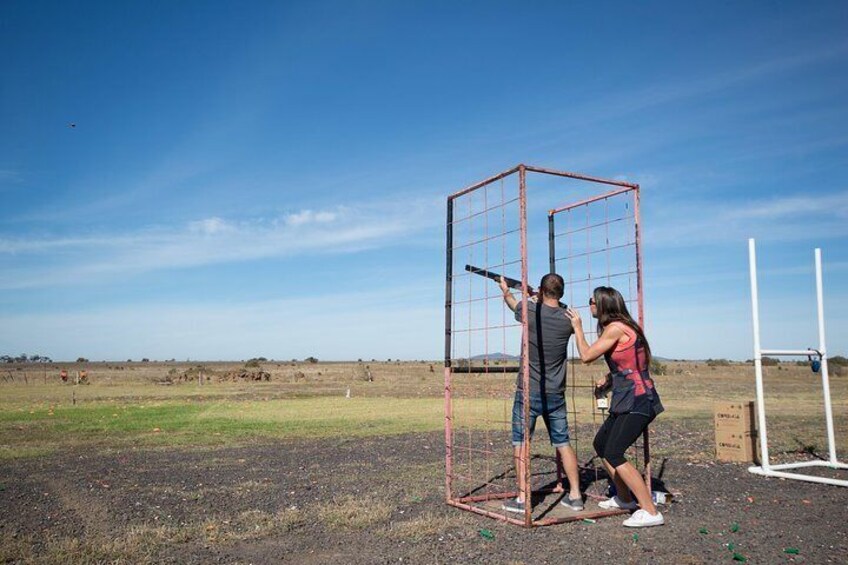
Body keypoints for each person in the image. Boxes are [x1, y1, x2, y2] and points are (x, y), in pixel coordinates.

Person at [565, 286, 665, 528]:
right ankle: (624, 498)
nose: (589, 305)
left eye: (591, 301)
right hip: (629, 397)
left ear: (602, 304)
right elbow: (629, 365)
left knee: (614, 452)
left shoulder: (615, 328)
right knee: (602, 444)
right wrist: (609, 381)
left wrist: (577, 328)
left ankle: (650, 511)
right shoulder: (622, 327)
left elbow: (587, 356)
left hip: (639, 400)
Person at [498, 273, 583, 514]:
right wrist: (538, 297)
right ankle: (575, 495)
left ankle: (524, 499)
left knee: (521, 443)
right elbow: (554, 307)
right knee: (563, 442)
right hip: (556, 393)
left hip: (529, 390)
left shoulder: (531, 311)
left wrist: (506, 289)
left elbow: (512, 303)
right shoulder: (569, 318)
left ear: (542, 291)